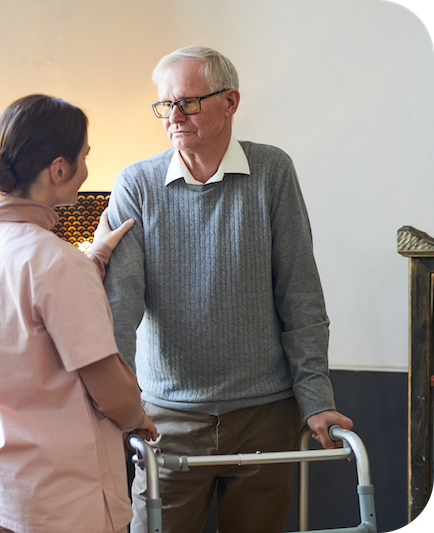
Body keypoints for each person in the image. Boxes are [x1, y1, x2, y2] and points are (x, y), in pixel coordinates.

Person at [103, 46, 354, 533]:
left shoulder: (272, 172)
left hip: (265, 413)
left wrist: (316, 398)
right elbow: (119, 308)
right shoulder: (136, 182)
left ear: (230, 101)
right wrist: (120, 406)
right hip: (167, 419)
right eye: (165, 106)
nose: (174, 117)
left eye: (189, 103)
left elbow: (300, 296)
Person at [0, 94, 157, 533]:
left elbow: (31, 321)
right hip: (68, 495)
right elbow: (108, 387)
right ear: (59, 169)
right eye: (85, 157)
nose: (87, 170)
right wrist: (137, 416)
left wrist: (94, 259)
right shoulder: (57, 263)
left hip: (5, 484)